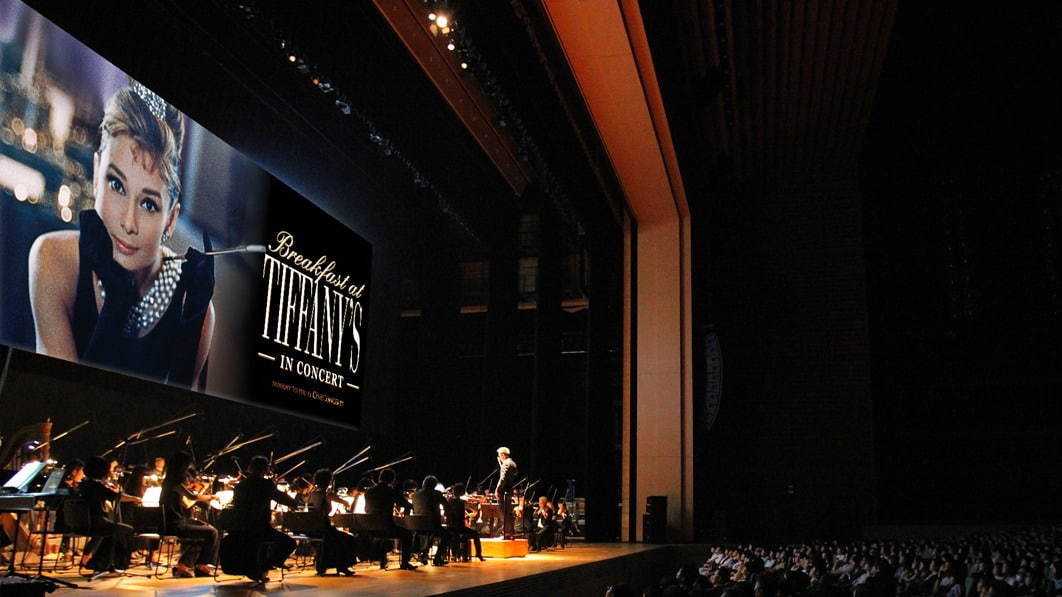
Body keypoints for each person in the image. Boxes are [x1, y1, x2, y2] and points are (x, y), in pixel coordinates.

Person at [28, 81, 215, 391]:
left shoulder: (193, 306)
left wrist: (190, 331)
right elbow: (60, 401)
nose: (128, 222)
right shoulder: (52, 259)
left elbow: (180, 422)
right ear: (97, 174)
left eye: (148, 204)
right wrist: (117, 304)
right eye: (116, 185)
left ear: (170, 218)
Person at [225, 455, 298, 582]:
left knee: (259, 542)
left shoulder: (240, 485)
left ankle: (260, 568)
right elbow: (281, 497)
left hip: (240, 528)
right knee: (289, 543)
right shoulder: (266, 484)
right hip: (259, 528)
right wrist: (294, 503)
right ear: (265, 469)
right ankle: (268, 565)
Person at [159, 451, 219, 577]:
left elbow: (183, 504)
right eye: (186, 466)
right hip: (174, 524)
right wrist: (211, 497)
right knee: (212, 532)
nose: (187, 469)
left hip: (176, 521)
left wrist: (189, 520)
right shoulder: (174, 483)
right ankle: (201, 566)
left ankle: (183, 565)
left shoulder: (169, 481)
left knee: (203, 530)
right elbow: (192, 496)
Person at [79, 455, 140, 571]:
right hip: (95, 523)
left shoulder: (82, 485)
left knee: (112, 530)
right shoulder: (96, 486)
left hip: (80, 523)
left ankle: (99, 562)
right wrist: (135, 499)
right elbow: (117, 497)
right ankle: (116, 563)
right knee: (126, 530)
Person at [305, 468, 357, 576]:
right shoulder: (325, 494)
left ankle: (324, 566)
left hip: (312, 527)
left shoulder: (312, 494)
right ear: (328, 481)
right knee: (348, 538)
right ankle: (342, 566)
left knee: (338, 537)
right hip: (322, 527)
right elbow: (339, 502)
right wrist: (344, 502)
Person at [363, 468, 415, 570]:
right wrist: (405, 515)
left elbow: (366, 509)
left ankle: (382, 558)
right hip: (386, 528)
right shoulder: (391, 491)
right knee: (407, 534)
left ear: (380, 478)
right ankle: (405, 563)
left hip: (370, 528)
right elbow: (407, 505)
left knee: (384, 534)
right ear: (392, 480)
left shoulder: (369, 492)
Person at [412, 475, 448, 566]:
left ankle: (424, 553)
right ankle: (438, 558)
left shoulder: (415, 494)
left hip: (417, 526)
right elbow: (447, 506)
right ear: (434, 485)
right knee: (447, 534)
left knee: (429, 532)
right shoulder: (437, 494)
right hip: (432, 525)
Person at [443, 483, 485, 562]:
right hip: (460, 527)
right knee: (476, 534)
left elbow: (446, 514)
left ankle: (454, 555)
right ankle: (479, 554)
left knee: (455, 535)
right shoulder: (463, 502)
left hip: (450, 527)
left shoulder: (448, 502)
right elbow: (475, 511)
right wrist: (468, 515)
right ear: (462, 493)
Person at [495, 446, 518, 539]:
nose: (499, 457)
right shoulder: (512, 463)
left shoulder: (506, 464)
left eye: (499, 455)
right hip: (509, 490)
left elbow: (503, 478)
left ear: (503, 455)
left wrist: (497, 489)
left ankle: (505, 533)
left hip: (503, 490)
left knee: (503, 513)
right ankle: (509, 533)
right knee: (508, 513)